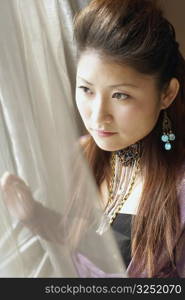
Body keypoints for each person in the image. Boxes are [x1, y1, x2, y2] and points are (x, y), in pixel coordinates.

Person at [1, 0, 185, 278]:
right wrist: (35, 216)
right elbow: (88, 242)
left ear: (167, 94)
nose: (98, 116)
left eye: (120, 95)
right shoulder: (86, 151)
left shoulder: (179, 187)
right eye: (86, 89)